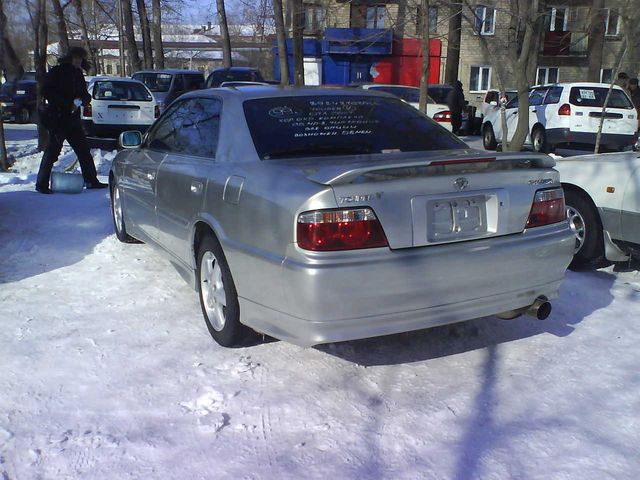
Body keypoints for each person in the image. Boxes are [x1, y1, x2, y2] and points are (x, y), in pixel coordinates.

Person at [35, 47, 107, 194]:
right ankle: (41, 184)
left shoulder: (78, 74)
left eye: (80, 59)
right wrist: (67, 104)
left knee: (83, 150)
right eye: (76, 58)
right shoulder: (57, 72)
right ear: (69, 58)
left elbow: (85, 94)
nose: (78, 61)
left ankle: (91, 180)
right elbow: (46, 91)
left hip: (73, 120)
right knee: (52, 151)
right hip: (58, 117)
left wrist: (83, 101)